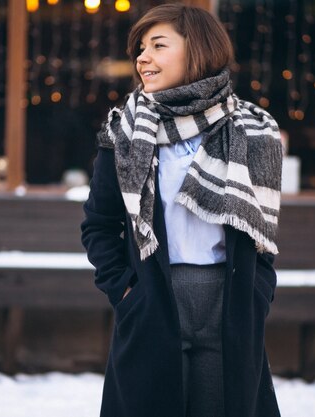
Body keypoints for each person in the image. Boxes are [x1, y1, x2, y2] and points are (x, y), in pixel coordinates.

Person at [81, 4, 282, 417]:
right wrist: (124, 290)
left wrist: (258, 292)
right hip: (153, 296)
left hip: (227, 303)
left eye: (158, 45)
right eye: (140, 47)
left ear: (198, 50)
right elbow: (99, 226)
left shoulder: (252, 129)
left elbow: (262, 231)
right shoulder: (124, 130)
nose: (142, 57)